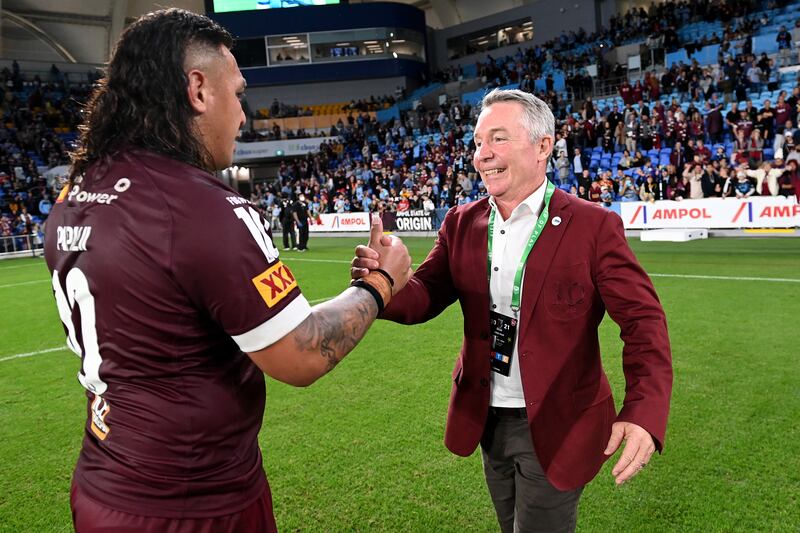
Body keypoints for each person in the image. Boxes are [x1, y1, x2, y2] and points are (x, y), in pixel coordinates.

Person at [42, 9, 411, 532]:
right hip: (195, 501)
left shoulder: (74, 194)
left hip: (101, 483)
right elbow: (301, 353)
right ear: (197, 89)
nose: (243, 116)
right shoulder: (199, 207)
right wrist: (380, 283)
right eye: (237, 94)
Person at [353, 89, 673, 532]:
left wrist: (643, 410)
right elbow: (425, 294)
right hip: (486, 414)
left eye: (498, 139)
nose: (483, 155)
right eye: (478, 142)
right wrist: (382, 283)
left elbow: (643, 321)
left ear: (543, 146)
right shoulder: (461, 222)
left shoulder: (594, 226)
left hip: (561, 420)